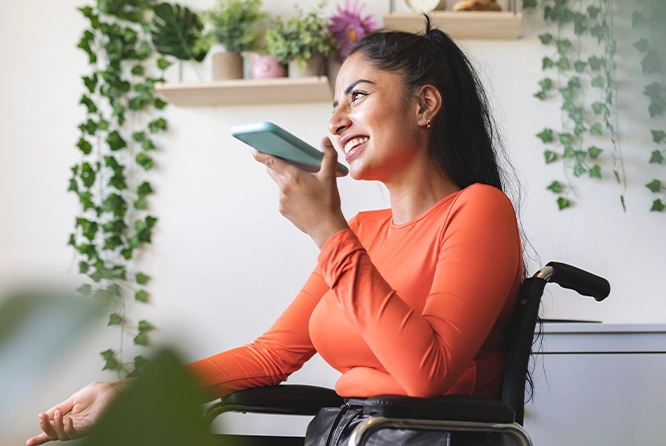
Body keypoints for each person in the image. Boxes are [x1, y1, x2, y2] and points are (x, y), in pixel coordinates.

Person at [27, 17, 524, 446]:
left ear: (424, 106)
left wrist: (326, 230)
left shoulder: (480, 209)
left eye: (357, 95)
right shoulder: (363, 231)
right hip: (347, 432)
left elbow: (426, 373)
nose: (336, 120)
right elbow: (273, 354)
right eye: (334, 104)